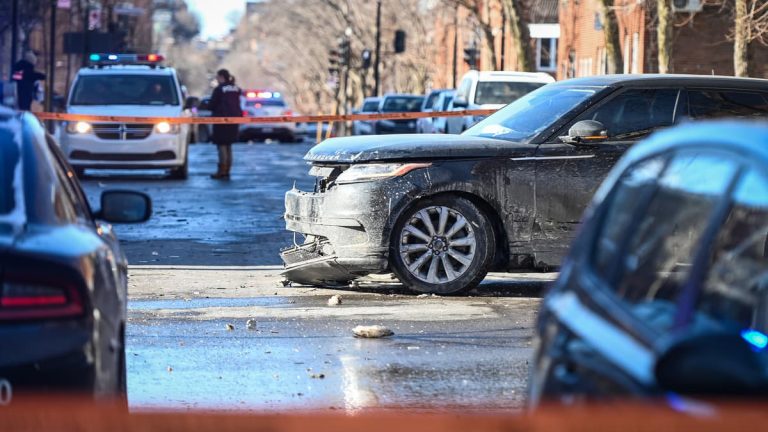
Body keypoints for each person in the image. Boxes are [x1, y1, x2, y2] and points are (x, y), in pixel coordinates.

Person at [208, 69, 242, 179]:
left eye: (217, 77)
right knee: (229, 145)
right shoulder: (236, 89)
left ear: (222, 77)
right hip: (234, 120)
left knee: (221, 145)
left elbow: (212, 104)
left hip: (221, 120)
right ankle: (227, 169)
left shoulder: (219, 89)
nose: (217, 79)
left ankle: (222, 170)